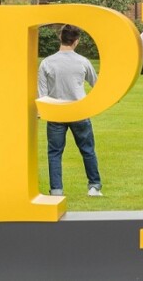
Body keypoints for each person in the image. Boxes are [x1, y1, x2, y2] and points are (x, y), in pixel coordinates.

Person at [37, 25, 103, 197]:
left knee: (55, 153)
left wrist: (41, 112)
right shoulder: (83, 62)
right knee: (87, 150)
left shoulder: (47, 63)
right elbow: (97, 85)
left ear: (61, 38)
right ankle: (94, 186)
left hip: (56, 112)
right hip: (79, 110)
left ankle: (57, 190)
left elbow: (42, 93)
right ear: (76, 41)